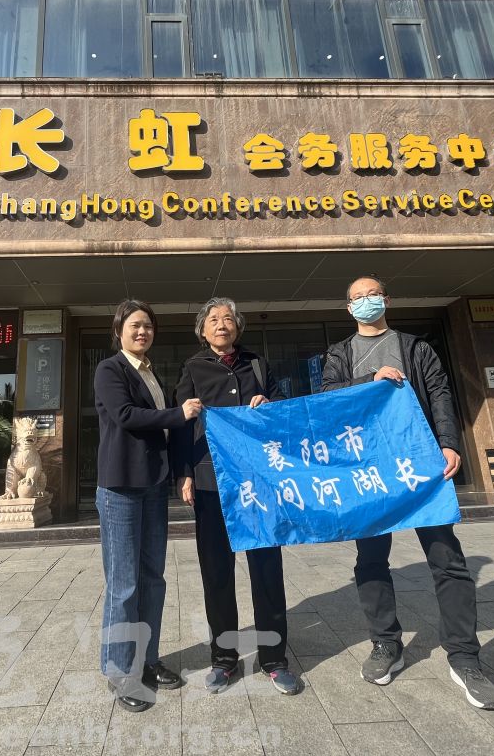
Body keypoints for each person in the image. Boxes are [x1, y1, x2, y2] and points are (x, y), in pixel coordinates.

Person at [321, 275, 494, 711]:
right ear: (348, 308)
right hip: (369, 468)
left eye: (373, 294)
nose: (366, 301)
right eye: (358, 297)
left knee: (448, 559)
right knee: (370, 559)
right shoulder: (340, 354)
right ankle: (386, 642)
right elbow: (327, 395)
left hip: (420, 463)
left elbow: (440, 393)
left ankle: (465, 657)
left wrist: (449, 443)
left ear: (387, 299)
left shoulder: (417, 348)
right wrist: (371, 377)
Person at [173, 297, 303, 696]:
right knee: (217, 574)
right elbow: (181, 425)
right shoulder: (193, 368)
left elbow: (282, 413)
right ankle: (224, 659)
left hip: (258, 482)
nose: (221, 324)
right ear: (202, 330)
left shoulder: (257, 364)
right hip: (211, 481)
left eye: (228, 318)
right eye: (213, 319)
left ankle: (274, 659)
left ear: (237, 326)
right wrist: (183, 473)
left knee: (267, 570)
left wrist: (269, 405)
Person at [94, 299, 202, 712]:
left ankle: (148, 660)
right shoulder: (111, 369)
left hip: (153, 486)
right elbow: (126, 415)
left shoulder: (150, 373)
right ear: (119, 331)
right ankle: (121, 672)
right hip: (120, 488)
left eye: (148, 326)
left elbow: (160, 430)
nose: (142, 332)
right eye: (135, 326)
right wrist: (178, 414)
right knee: (124, 584)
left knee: (153, 578)